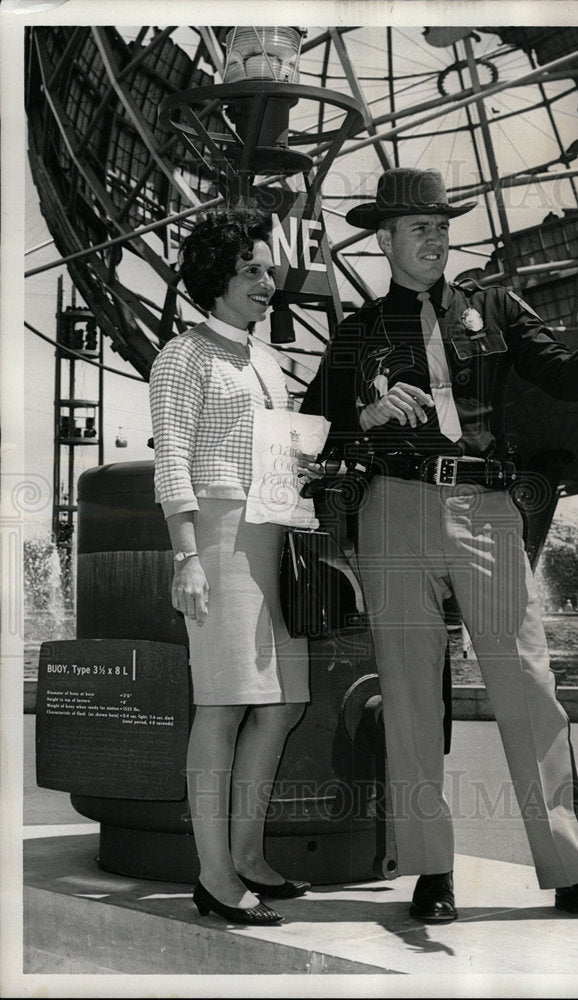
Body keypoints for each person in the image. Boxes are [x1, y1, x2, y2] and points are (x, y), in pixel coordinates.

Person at [302, 167, 578, 927]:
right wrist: (367, 418)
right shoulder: (357, 332)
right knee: (408, 697)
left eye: (443, 225)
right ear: (386, 239)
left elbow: (568, 382)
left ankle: (575, 874)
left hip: (485, 509)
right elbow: (314, 434)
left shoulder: (494, 306)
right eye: (419, 227)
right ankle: (430, 870)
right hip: (393, 510)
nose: (435, 238)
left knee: (529, 689)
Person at [149, 209, 318, 926]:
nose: (265, 280)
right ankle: (215, 877)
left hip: (273, 537)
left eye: (266, 267)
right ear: (215, 278)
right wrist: (186, 556)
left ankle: (247, 855)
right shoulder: (181, 358)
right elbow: (172, 462)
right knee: (221, 704)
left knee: (281, 703)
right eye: (249, 268)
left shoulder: (266, 361)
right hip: (216, 540)